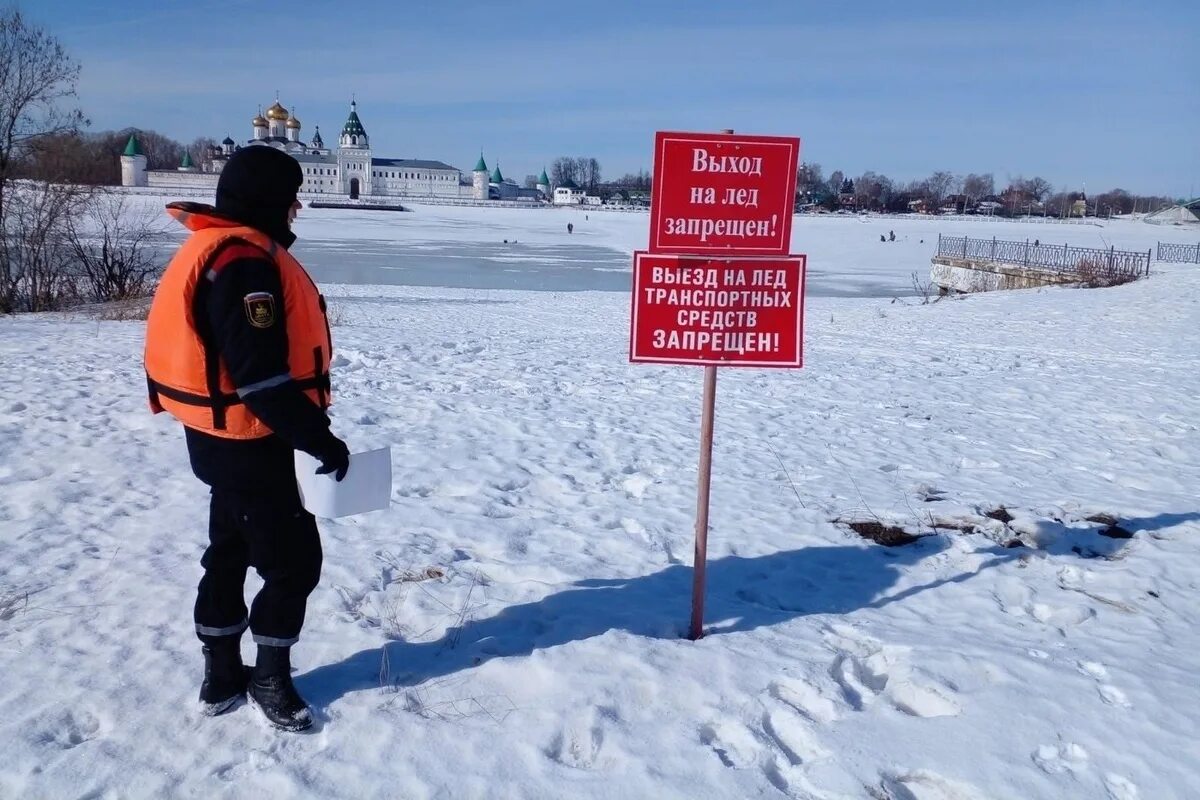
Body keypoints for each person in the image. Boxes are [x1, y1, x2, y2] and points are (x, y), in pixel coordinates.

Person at [144, 146, 349, 732]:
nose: (297, 211)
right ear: (270, 203)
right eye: (292, 201)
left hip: (215, 438)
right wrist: (321, 442)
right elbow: (260, 380)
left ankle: (220, 672)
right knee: (292, 564)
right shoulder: (244, 264)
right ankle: (268, 677)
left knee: (230, 551)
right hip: (249, 438)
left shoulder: (220, 247)